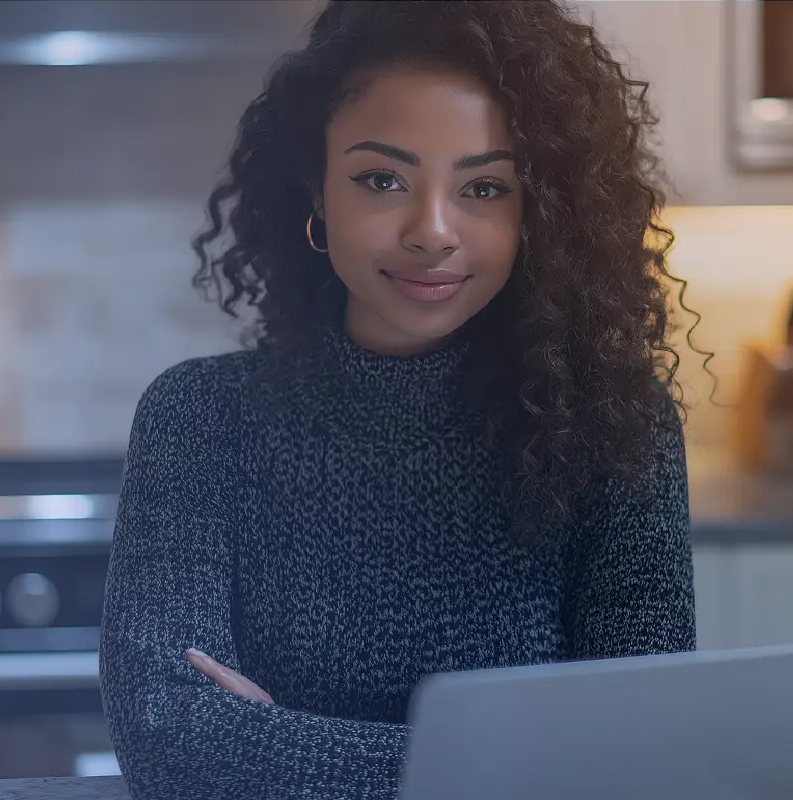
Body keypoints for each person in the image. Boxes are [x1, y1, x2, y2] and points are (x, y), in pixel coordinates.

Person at [99, 1, 699, 798]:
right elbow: (168, 745)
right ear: (318, 191)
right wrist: (516, 769)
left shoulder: (616, 429)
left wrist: (270, 747)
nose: (432, 231)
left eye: (485, 187)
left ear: (539, 214)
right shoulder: (200, 418)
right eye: (381, 179)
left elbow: (638, 756)